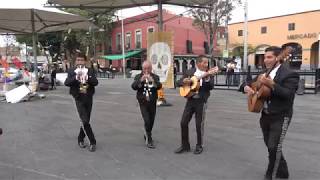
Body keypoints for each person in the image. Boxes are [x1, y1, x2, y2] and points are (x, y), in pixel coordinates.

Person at [243, 46, 299, 180]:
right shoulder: (264, 73)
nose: (266, 60)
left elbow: (288, 94)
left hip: (281, 115)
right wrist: (246, 88)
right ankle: (283, 172)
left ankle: (270, 174)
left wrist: (272, 84)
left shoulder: (289, 74)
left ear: (278, 58)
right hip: (265, 115)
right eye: (265, 57)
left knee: (274, 146)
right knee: (270, 145)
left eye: (269, 57)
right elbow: (249, 83)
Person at [175, 55, 218, 155]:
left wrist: (207, 78)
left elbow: (211, 86)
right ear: (198, 63)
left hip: (201, 101)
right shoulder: (190, 72)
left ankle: (199, 145)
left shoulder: (209, 73)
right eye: (204, 62)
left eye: (207, 63)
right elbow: (178, 82)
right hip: (190, 100)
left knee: (199, 124)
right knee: (183, 122)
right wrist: (183, 81)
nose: (206, 64)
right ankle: (185, 146)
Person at [65, 53, 98, 152]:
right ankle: (92, 141)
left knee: (86, 120)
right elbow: (67, 82)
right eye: (78, 60)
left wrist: (87, 77)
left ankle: (80, 138)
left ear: (85, 61)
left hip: (88, 96)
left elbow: (95, 82)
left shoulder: (90, 70)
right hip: (78, 97)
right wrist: (76, 77)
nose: (80, 62)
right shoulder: (72, 71)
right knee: (84, 120)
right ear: (75, 61)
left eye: (81, 60)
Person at [131, 61, 162, 149]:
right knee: (147, 120)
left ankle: (147, 132)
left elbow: (159, 86)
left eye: (148, 68)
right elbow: (133, 86)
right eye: (145, 68)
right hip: (143, 101)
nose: (147, 70)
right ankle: (149, 139)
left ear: (151, 68)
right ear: (142, 68)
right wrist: (141, 80)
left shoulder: (155, 76)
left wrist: (153, 81)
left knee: (151, 120)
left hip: (152, 101)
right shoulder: (138, 76)